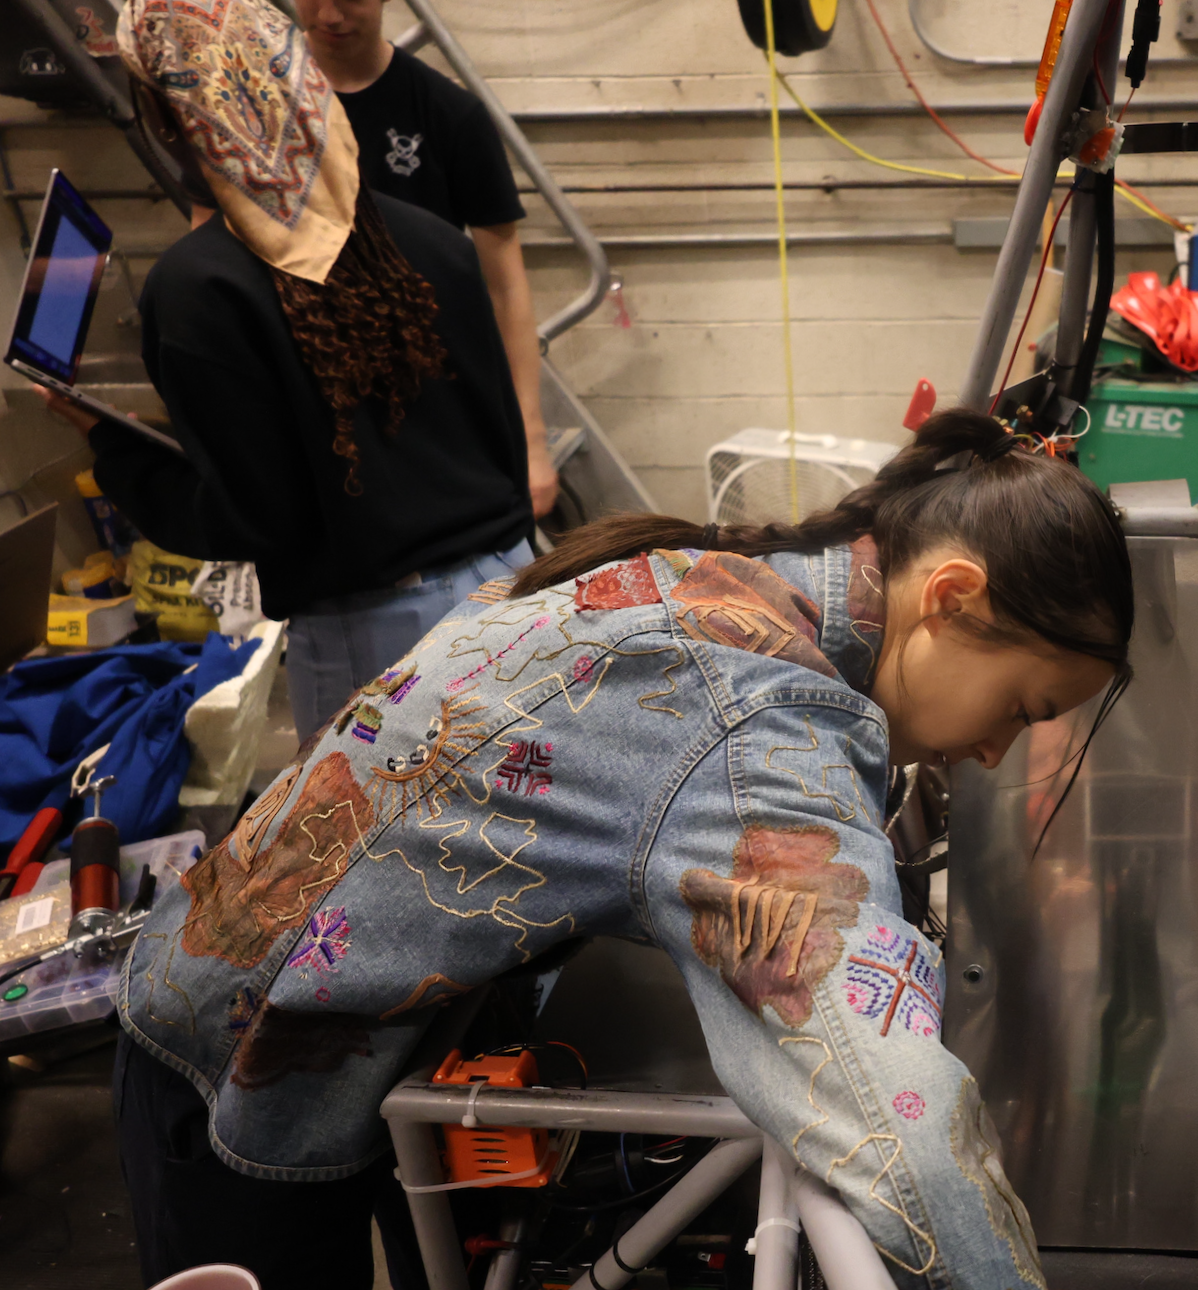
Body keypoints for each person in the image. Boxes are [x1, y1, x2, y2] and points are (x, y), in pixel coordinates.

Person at [113, 406, 1135, 1289]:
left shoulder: (741, 573)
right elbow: (892, 1115)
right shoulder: (759, 723)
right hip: (227, 1077)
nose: (997, 751)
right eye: (1021, 705)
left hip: (236, 995)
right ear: (951, 598)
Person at [50, 0, 535, 741]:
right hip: (519, 601)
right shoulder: (429, 240)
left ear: (171, 116)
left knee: (368, 857)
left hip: (381, 642)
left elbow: (250, 517)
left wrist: (114, 448)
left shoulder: (198, 289)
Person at [297, 0, 558, 519]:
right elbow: (208, 241)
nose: (329, 16)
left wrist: (530, 437)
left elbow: (506, 287)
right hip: (308, 395)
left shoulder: (448, 113)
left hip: (427, 398)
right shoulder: (252, 107)